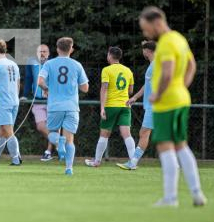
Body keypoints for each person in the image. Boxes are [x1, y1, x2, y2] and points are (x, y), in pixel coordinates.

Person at [139, 7, 206, 207]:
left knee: (165, 146)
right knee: (181, 145)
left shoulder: (166, 43)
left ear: (156, 22)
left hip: (166, 102)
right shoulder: (179, 38)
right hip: (180, 98)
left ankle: (170, 198)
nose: (146, 33)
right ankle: (196, 193)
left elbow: (167, 72)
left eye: (146, 28)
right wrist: (181, 86)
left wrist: (158, 94)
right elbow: (192, 65)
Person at [38, 37, 89, 175]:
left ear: (57, 48)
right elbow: (85, 88)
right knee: (70, 139)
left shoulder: (49, 64)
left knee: (52, 134)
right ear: (71, 49)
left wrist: (46, 88)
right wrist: (74, 83)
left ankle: (58, 141)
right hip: (72, 106)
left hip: (55, 106)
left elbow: (40, 81)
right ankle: (69, 168)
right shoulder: (77, 65)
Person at [85, 47, 136, 167]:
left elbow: (104, 88)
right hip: (125, 106)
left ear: (110, 55)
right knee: (127, 134)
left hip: (111, 106)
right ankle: (133, 161)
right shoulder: (128, 70)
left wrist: (102, 107)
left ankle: (97, 161)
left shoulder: (106, 70)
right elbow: (131, 90)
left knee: (104, 134)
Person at [118, 40, 156, 170]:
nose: (142, 52)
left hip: (155, 105)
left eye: (143, 49)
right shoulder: (153, 65)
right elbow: (148, 85)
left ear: (147, 51)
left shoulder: (156, 65)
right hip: (154, 105)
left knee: (144, 132)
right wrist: (134, 97)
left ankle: (133, 162)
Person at [23, 44, 63, 161]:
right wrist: (25, 95)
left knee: (54, 127)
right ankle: (59, 145)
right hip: (38, 100)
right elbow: (28, 78)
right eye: (40, 51)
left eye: (45, 51)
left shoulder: (54, 64)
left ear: (49, 53)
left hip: (52, 100)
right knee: (41, 126)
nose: (42, 53)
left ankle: (48, 151)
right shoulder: (32, 63)